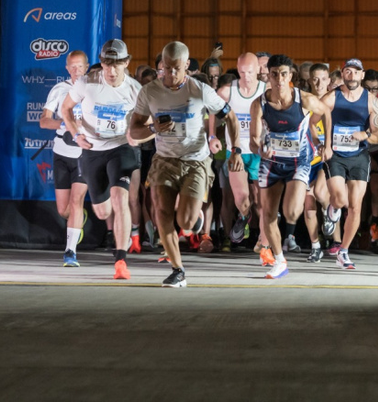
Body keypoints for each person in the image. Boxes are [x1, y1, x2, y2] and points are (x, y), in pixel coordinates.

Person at [128, 41, 243, 288]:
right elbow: (134, 132)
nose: (170, 74)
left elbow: (231, 116)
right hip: (164, 159)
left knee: (187, 223)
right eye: (166, 68)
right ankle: (177, 270)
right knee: (162, 213)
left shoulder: (199, 90)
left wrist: (236, 151)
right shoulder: (149, 91)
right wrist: (152, 128)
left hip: (195, 161)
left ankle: (195, 220)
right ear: (161, 65)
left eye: (176, 69)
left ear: (187, 65)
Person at [60, 39, 142, 281]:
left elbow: (148, 120)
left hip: (121, 147)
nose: (111, 70)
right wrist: (76, 134)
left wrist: (137, 133)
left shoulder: (135, 89)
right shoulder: (87, 83)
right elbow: (66, 109)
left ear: (127, 62)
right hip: (92, 150)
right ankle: (108, 224)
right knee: (103, 211)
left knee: (121, 199)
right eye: (107, 64)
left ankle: (120, 261)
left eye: (117, 65)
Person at [249, 54, 330, 278]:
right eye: (274, 74)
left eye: (283, 74)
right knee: (268, 214)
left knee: (291, 211)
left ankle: (320, 216)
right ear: (269, 76)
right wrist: (260, 149)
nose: (279, 79)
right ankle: (280, 261)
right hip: (272, 162)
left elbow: (326, 112)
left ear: (290, 76)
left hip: (299, 161)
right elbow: (253, 140)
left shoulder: (303, 99)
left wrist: (324, 143)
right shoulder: (259, 104)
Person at [321, 59, 378, 269]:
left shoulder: (371, 101)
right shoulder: (331, 97)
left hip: (358, 155)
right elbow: (312, 121)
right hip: (336, 154)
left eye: (356, 72)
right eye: (348, 72)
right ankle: (332, 207)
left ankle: (344, 251)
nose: (352, 76)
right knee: (340, 199)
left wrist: (364, 134)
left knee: (355, 207)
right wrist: (323, 144)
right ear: (343, 74)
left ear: (362, 75)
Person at [40, 50, 90, 267]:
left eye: (80, 67)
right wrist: (66, 124)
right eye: (73, 67)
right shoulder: (60, 89)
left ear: (87, 67)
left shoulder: (93, 90)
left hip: (83, 154)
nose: (77, 71)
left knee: (77, 201)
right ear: (67, 69)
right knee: (64, 209)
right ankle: (79, 220)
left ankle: (70, 252)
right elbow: (43, 121)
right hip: (61, 152)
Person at [217, 52, 267, 251]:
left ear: (258, 70)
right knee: (242, 199)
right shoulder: (227, 91)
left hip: (260, 152)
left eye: (250, 72)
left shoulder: (267, 90)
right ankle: (245, 217)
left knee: (263, 202)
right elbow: (213, 112)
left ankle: (264, 242)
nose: (246, 76)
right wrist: (213, 136)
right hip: (235, 151)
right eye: (242, 72)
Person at [303, 63, 333, 262]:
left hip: (326, 158)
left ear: (329, 80)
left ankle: (330, 212)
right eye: (315, 78)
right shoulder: (303, 101)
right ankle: (315, 246)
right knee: (308, 204)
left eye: (323, 78)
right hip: (306, 159)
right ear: (309, 80)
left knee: (321, 192)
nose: (319, 83)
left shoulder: (333, 101)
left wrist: (327, 145)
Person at [362, 68, 378, 249]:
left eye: (375, 88)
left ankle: (375, 225)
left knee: (376, 187)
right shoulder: (356, 98)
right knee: (359, 192)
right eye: (368, 88)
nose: (372, 92)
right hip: (359, 149)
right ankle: (359, 227)